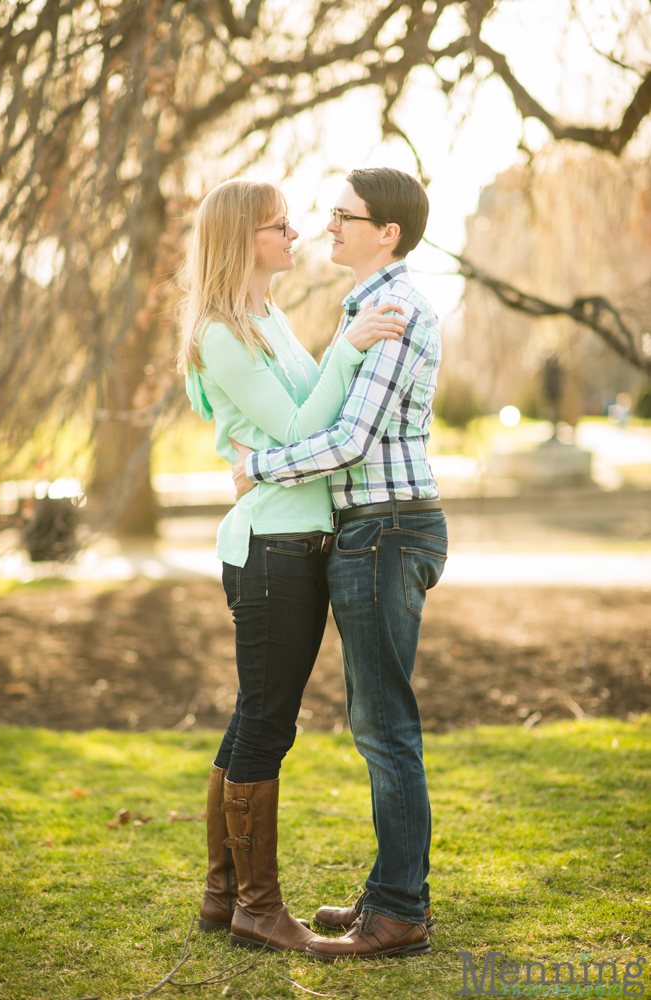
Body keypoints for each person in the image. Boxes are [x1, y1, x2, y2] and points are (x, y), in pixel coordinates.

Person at [176, 178, 407, 954]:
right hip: (271, 547)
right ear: (244, 238)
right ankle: (257, 907)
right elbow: (306, 423)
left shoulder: (267, 318)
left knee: (254, 716)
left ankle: (220, 895)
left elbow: (322, 427)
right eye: (280, 226)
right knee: (268, 724)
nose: (298, 233)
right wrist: (346, 348)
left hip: (298, 538)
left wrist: (269, 456)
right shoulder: (218, 333)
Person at [232, 167, 446, 961]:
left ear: (384, 232)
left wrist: (260, 466)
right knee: (380, 723)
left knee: (385, 728)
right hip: (374, 530)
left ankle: (397, 914)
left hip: (387, 531)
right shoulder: (365, 306)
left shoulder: (392, 307)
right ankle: (391, 893)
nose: (327, 226)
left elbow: (350, 440)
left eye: (341, 216)